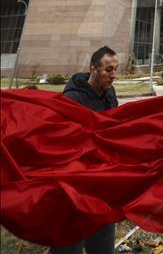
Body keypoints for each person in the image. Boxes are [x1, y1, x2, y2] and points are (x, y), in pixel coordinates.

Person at [50, 46, 119, 254]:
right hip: (75, 186)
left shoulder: (110, 93)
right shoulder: (72, 100)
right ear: (93, 70)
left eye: (116, 69)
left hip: (102, 183)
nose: (113, 75)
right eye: (109, 69)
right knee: (69, 244)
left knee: (103, 242)